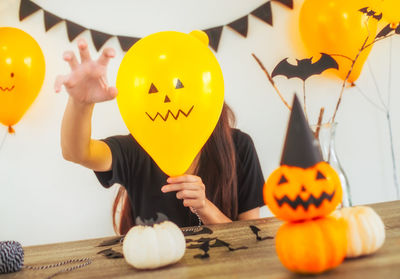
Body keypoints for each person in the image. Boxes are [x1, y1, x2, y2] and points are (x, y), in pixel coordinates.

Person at [56, 38, 265, 235]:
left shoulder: (239, 146)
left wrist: (205, 208)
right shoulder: (134, 148)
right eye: (153, 89)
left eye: (179, 85)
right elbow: (77, 152)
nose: (167, 98)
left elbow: (251, 235)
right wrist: (81, 104)